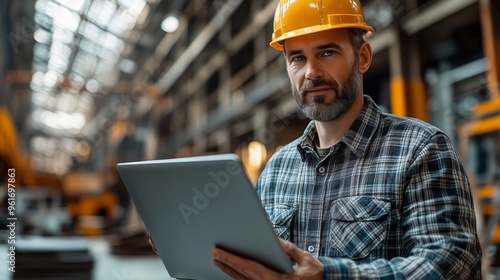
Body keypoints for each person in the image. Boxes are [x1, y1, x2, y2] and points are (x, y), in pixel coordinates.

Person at [151, 0, 482, 278]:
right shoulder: (276, 169)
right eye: (297, 58)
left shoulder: (420, 148)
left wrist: (330, 275)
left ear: (363, 57)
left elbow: (452, 260)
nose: (310, 72)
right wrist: (195, 247)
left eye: (326, 53)